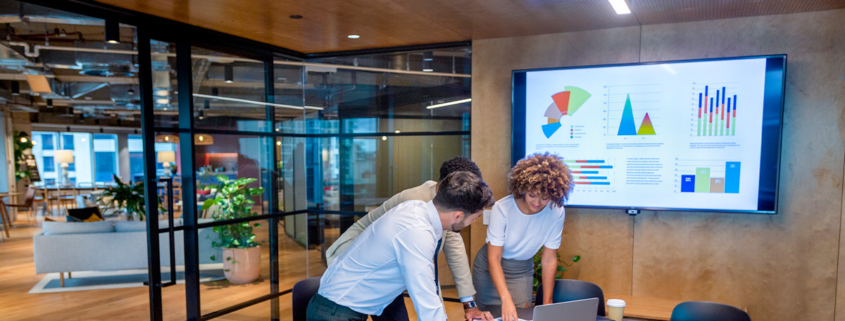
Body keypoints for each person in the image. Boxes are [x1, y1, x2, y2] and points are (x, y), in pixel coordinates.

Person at [307, 171, 496, 321]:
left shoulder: (415, 209)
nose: (473, 222)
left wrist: (468, 305)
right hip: (336, 311)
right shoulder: (417, 232)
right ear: (458, 216)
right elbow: (425, 299)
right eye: (475, 218)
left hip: (344, 305)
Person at [471, 153, 574, 321]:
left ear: (555, 194)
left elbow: (548, 259)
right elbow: (494, 258)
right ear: (523, 187)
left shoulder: (556, 212)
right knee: (489, 316)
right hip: (490, 268)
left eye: (544, 197)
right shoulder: (503, 208)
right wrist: (506, 298)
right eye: (532, 194)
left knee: (521, 316)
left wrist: (547, 303)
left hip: (521, 270)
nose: (537, 202)